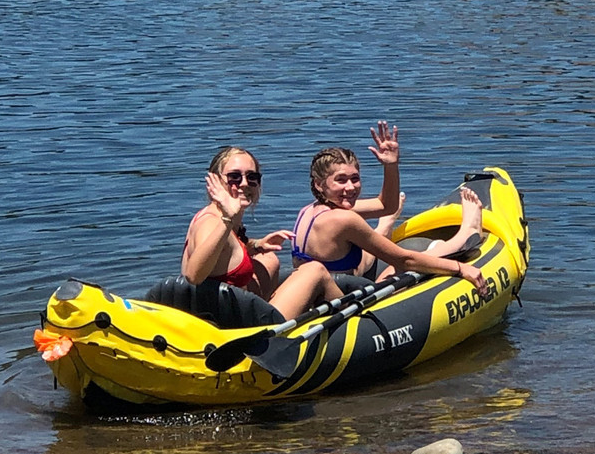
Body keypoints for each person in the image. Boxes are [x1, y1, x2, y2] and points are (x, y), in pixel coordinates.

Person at [290, 122, 489, 297]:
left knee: (373, 240)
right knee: (400, 265)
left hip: (327, 291)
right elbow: (406, 260)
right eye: (340, 180)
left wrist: (390, 166)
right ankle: (466, 233)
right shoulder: (343, 220)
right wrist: (460, 268)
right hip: (340, 302)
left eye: (355, 179)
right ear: (319, 184)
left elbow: (387, 206)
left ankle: (382, 229)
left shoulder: (309, 211)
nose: (350, 187)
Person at [181, 146, 346, 320]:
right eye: (234, 177)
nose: (244, 183)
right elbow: (194, 275)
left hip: (226, 315)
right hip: (232, 331)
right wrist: (228, 219)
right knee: (315, 270)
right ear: (215, 181)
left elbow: (224, 251)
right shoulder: (212, 222)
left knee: (268, 260)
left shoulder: (219, 217)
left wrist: (257, 244)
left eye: (252, 177)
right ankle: (355, 323)